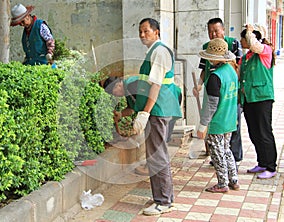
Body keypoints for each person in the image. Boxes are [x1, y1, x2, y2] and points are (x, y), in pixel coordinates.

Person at [128, 18, 182, 216]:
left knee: (157, 155)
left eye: (147, 31)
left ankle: (164, 201)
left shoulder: (159, 52)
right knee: (155, 155)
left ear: (157, 32)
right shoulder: (153, 51)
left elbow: (156, 85)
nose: (143, 35)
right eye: (140, 31)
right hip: (157, 109)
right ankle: (162, 196)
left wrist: (145, 112)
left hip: (158, 109)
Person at [103, 75, 182, 176]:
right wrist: (120, 114)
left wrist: (145, 114)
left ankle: (157, 169)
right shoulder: (128, 89)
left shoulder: (132, 85)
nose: (116, 96)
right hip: (165, 101)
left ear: (118, 85)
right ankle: (156, 166)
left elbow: (151, 97)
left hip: (167, 100)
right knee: (156, 136)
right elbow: (132, 109)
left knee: (157, 136)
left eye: (114, 93)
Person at [194, 17, 243, 166]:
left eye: (216, 31)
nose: (213, 34)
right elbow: (203, 69)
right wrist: (199, 85)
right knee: (214, 123)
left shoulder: (233, 44)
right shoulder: (207, 46)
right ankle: (218, 156)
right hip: (213, 89)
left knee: (231, 125)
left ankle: (233, 158)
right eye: (210, 32)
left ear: (223, 29)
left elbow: (238, 66)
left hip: (228, 91)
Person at [197, 38, 240, 193]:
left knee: (217, 153)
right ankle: (233, 179)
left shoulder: (215, 77)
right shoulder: (232, 72)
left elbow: (211, 105)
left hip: (218, 122)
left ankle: (222, 183)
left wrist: (203, 125)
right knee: (226, 149)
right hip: (230, 119)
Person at [239, 24, 277, 179]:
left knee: (264, 132)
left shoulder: (265, 52)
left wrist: (250, 31)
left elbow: (255, 46)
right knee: (254, 133)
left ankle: (270, 166)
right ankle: (262, 162)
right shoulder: (245, 58)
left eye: (243, 38)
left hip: (262, 98)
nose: (241, 41)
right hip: (249, 99)